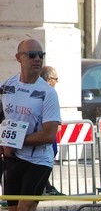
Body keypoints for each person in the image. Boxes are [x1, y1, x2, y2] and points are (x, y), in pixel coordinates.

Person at [0, 39, 60, 211]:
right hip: (14, 160)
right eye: (32, 55)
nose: (37, 59)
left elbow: (49, 134)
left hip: (38, 160)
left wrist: (15, 141)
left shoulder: (48, 93)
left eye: (41, 55)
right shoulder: (5, 88)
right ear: (19, 58)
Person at [40, 66, 63, 196]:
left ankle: (46, 185)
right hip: (45, 133)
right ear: (49, 79)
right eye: (56, 79)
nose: (57, 82)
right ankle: (45, 185)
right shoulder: (48, 92)